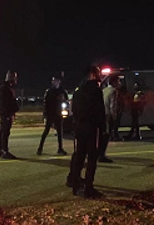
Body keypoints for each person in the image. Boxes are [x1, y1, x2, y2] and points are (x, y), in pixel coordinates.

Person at [66, 65, 105, 198]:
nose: (100, 75)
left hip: (80, 127)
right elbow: (100, 112)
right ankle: (89, 188)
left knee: (79, 157)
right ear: (92, 74)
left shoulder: (78, 91)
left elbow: (74, 111)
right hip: (92, 128)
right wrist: (103, 129)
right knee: (92, 159)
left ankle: (75, 186)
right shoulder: (96, 90)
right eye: (98, 73)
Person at [37, 76, 69, 156]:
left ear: (59, 81)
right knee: (46, 131)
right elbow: (46, 103)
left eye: (55, 80)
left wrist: (64, 102)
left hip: (58, 114)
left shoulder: (62, 91)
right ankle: (40, 148)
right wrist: (45, 114)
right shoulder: (49, 91)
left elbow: (66, 100)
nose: (54, 82)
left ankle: (60, 148)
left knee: (59, 132)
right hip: (50, 114)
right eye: (53, 81)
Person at [0, 71, 20, 159]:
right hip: (6, 113)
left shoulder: (2, 88)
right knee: (5, 132)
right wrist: (12, 111)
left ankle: (0, 149)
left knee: (2, 131)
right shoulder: (6, 89)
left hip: (4, 112)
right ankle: (5, 151)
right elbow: (8, 102)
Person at [99, 75, 122, 162]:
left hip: (102, 114)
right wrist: (114, 117)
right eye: (118, 81)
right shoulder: (114, 91)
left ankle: (99, 153)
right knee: (106, 136)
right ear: (114, 82)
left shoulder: (104, 90)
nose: (119, 83)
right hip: (108, 115)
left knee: (102, 135)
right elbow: (113, 105)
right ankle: (102, 155)